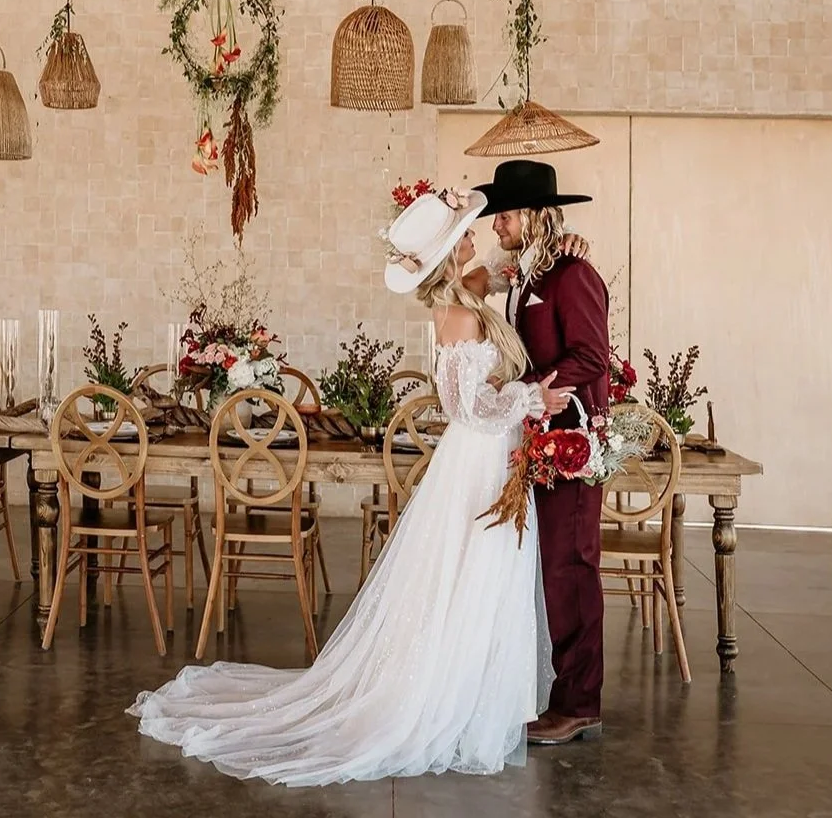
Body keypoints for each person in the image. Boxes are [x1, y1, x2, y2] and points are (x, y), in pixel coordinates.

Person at [126, 185, 572, 785]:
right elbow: (468, 407)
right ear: (448, 253)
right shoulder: (461, 312)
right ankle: (451, 703)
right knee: (470, 574)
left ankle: (471, 694)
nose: (478, 236)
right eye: (466, 231)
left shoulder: (467, 294)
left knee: (476, 575)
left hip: (489, 456)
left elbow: (504, 271)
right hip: (479, 455)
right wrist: (531, 398)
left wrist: (557, 245)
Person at [474, 159, 611, 746]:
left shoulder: (572, 274)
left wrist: (533, 389)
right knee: (551, 570)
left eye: (503, 214)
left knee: (570, 568)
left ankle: (579, 704)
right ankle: (563, 696)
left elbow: (592, 357)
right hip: (540, 438)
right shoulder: (530, 274)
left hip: (572, 444)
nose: (496, 224)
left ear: (530, 216)